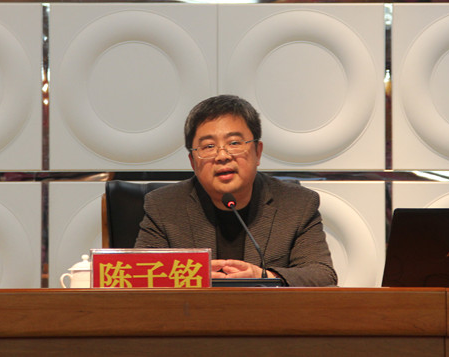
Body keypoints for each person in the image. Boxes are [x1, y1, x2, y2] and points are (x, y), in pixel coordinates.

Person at [135, 95, 337, 287]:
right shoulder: (163, 206)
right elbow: (137, 274)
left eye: (234, 143)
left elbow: (322, 275)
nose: (222, 156)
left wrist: (264, 277)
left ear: (258, 152)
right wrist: (191, 277)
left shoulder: (298, 204)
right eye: (209, 146)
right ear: (193, 162)